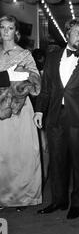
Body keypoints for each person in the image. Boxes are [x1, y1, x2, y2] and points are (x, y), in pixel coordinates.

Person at [33, 17, 79, 219]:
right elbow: (46, 88)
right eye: (77, 33)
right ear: (67, 34)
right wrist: (40, 110)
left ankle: (77, 201)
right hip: (55, 117)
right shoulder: (52, 57)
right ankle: (58, 200)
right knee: (56, 160)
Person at [0, 15, 42, 211]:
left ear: (16, 32)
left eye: (10, 28)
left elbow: (35, 80)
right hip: (0, 108)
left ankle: (23, 197)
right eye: (2, 27)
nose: (6, 31)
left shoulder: (25, 54)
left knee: (21, 153)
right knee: (3, 154)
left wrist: (15, 76)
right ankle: (3, 197)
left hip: (20, 106)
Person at [32, 48, 49, 186]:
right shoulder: (30, 75)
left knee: (44, 147)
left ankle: (42, 179)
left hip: (44, 115)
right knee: (41, 148)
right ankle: (40, 179)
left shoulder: (47, 74)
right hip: (32, 114)